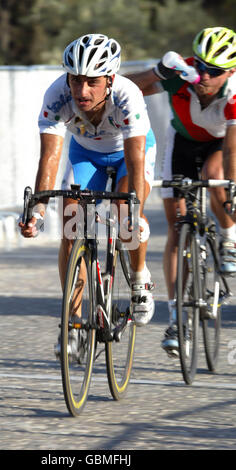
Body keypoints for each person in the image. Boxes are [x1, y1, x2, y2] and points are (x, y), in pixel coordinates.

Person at [19, 33, 157, 358]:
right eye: (75, 80)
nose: (81, 91)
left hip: (129, 154)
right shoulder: (56, 95)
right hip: (86, 154)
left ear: (109, 79)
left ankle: (139, 279)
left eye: (91, 82)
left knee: (125, 216)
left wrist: (134, 211)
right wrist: (37, 210)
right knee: (71, 225)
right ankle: (73, 322)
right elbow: (50, 158)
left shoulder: (129, 95)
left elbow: (136, 160)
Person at [125, 26, 236, 357]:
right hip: (182, 142)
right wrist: (158, 72)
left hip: (222, 144)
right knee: (177, 225)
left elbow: (232, 151)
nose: (203, 75)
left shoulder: (233, 92)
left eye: (213, 71)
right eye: (200, 65)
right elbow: (124, 90)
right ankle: (176, 317)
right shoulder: (183, 73)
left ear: (230, 71)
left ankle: (229, 238)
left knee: (215, 174)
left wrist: (232, 190)